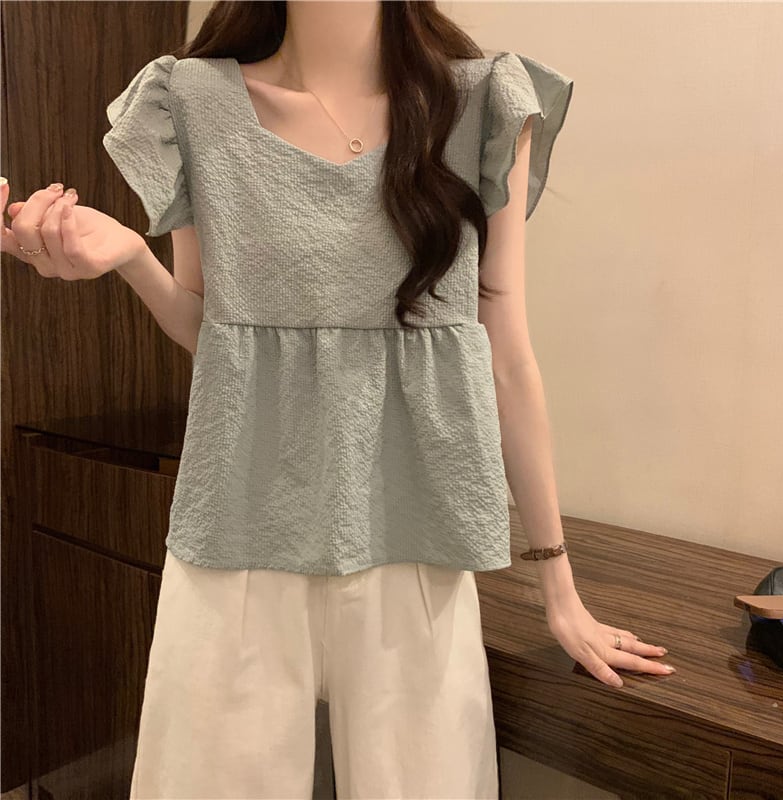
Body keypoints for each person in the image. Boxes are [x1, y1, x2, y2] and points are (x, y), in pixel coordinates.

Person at [1, 2, 676, 797]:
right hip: (238, 531)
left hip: (414, 536)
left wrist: (559, 592)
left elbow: (506, 355)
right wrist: (129, 259)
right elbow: (219, 336)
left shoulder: (482, 102)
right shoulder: (191, 100)